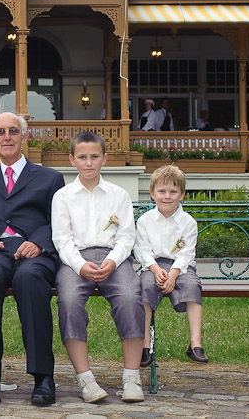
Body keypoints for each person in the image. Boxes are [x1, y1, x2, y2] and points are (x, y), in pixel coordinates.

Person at [0, 112, 65, 406]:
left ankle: (43, 376)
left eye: (13, 131)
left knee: (30, 279)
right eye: (1, 132)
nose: (7, 137)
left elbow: (61, 221)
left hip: (33, 252)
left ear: (24, 136)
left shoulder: (50, 178)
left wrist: (40, 243)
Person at [51, 131, 145, 404]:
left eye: (94, 157)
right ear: (72, 160)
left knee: (130, 297)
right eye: (82, 157)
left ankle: (131, 376)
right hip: (75, 260)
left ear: (104, 158)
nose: (88, 163)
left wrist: (112, 261)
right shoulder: (63, 196)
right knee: (68, 300)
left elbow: (127, 235)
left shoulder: (118, 195)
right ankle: (86, 380)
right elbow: (61, 239)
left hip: (113, 257)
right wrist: (80, 266)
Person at [135, 165, 207, 368]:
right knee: (145, 287)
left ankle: (195, 344)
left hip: (181, 268)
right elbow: (142, 249)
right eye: (162, 191)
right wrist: (156, 270)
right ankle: (145, 344)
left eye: (173, 192)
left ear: (182, 194)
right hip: (152, 266)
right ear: (152, 193)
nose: (167, 196)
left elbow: (186, 253)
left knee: (193, 286)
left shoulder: (188, 222)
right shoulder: (145, 220)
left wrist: (174, 274)